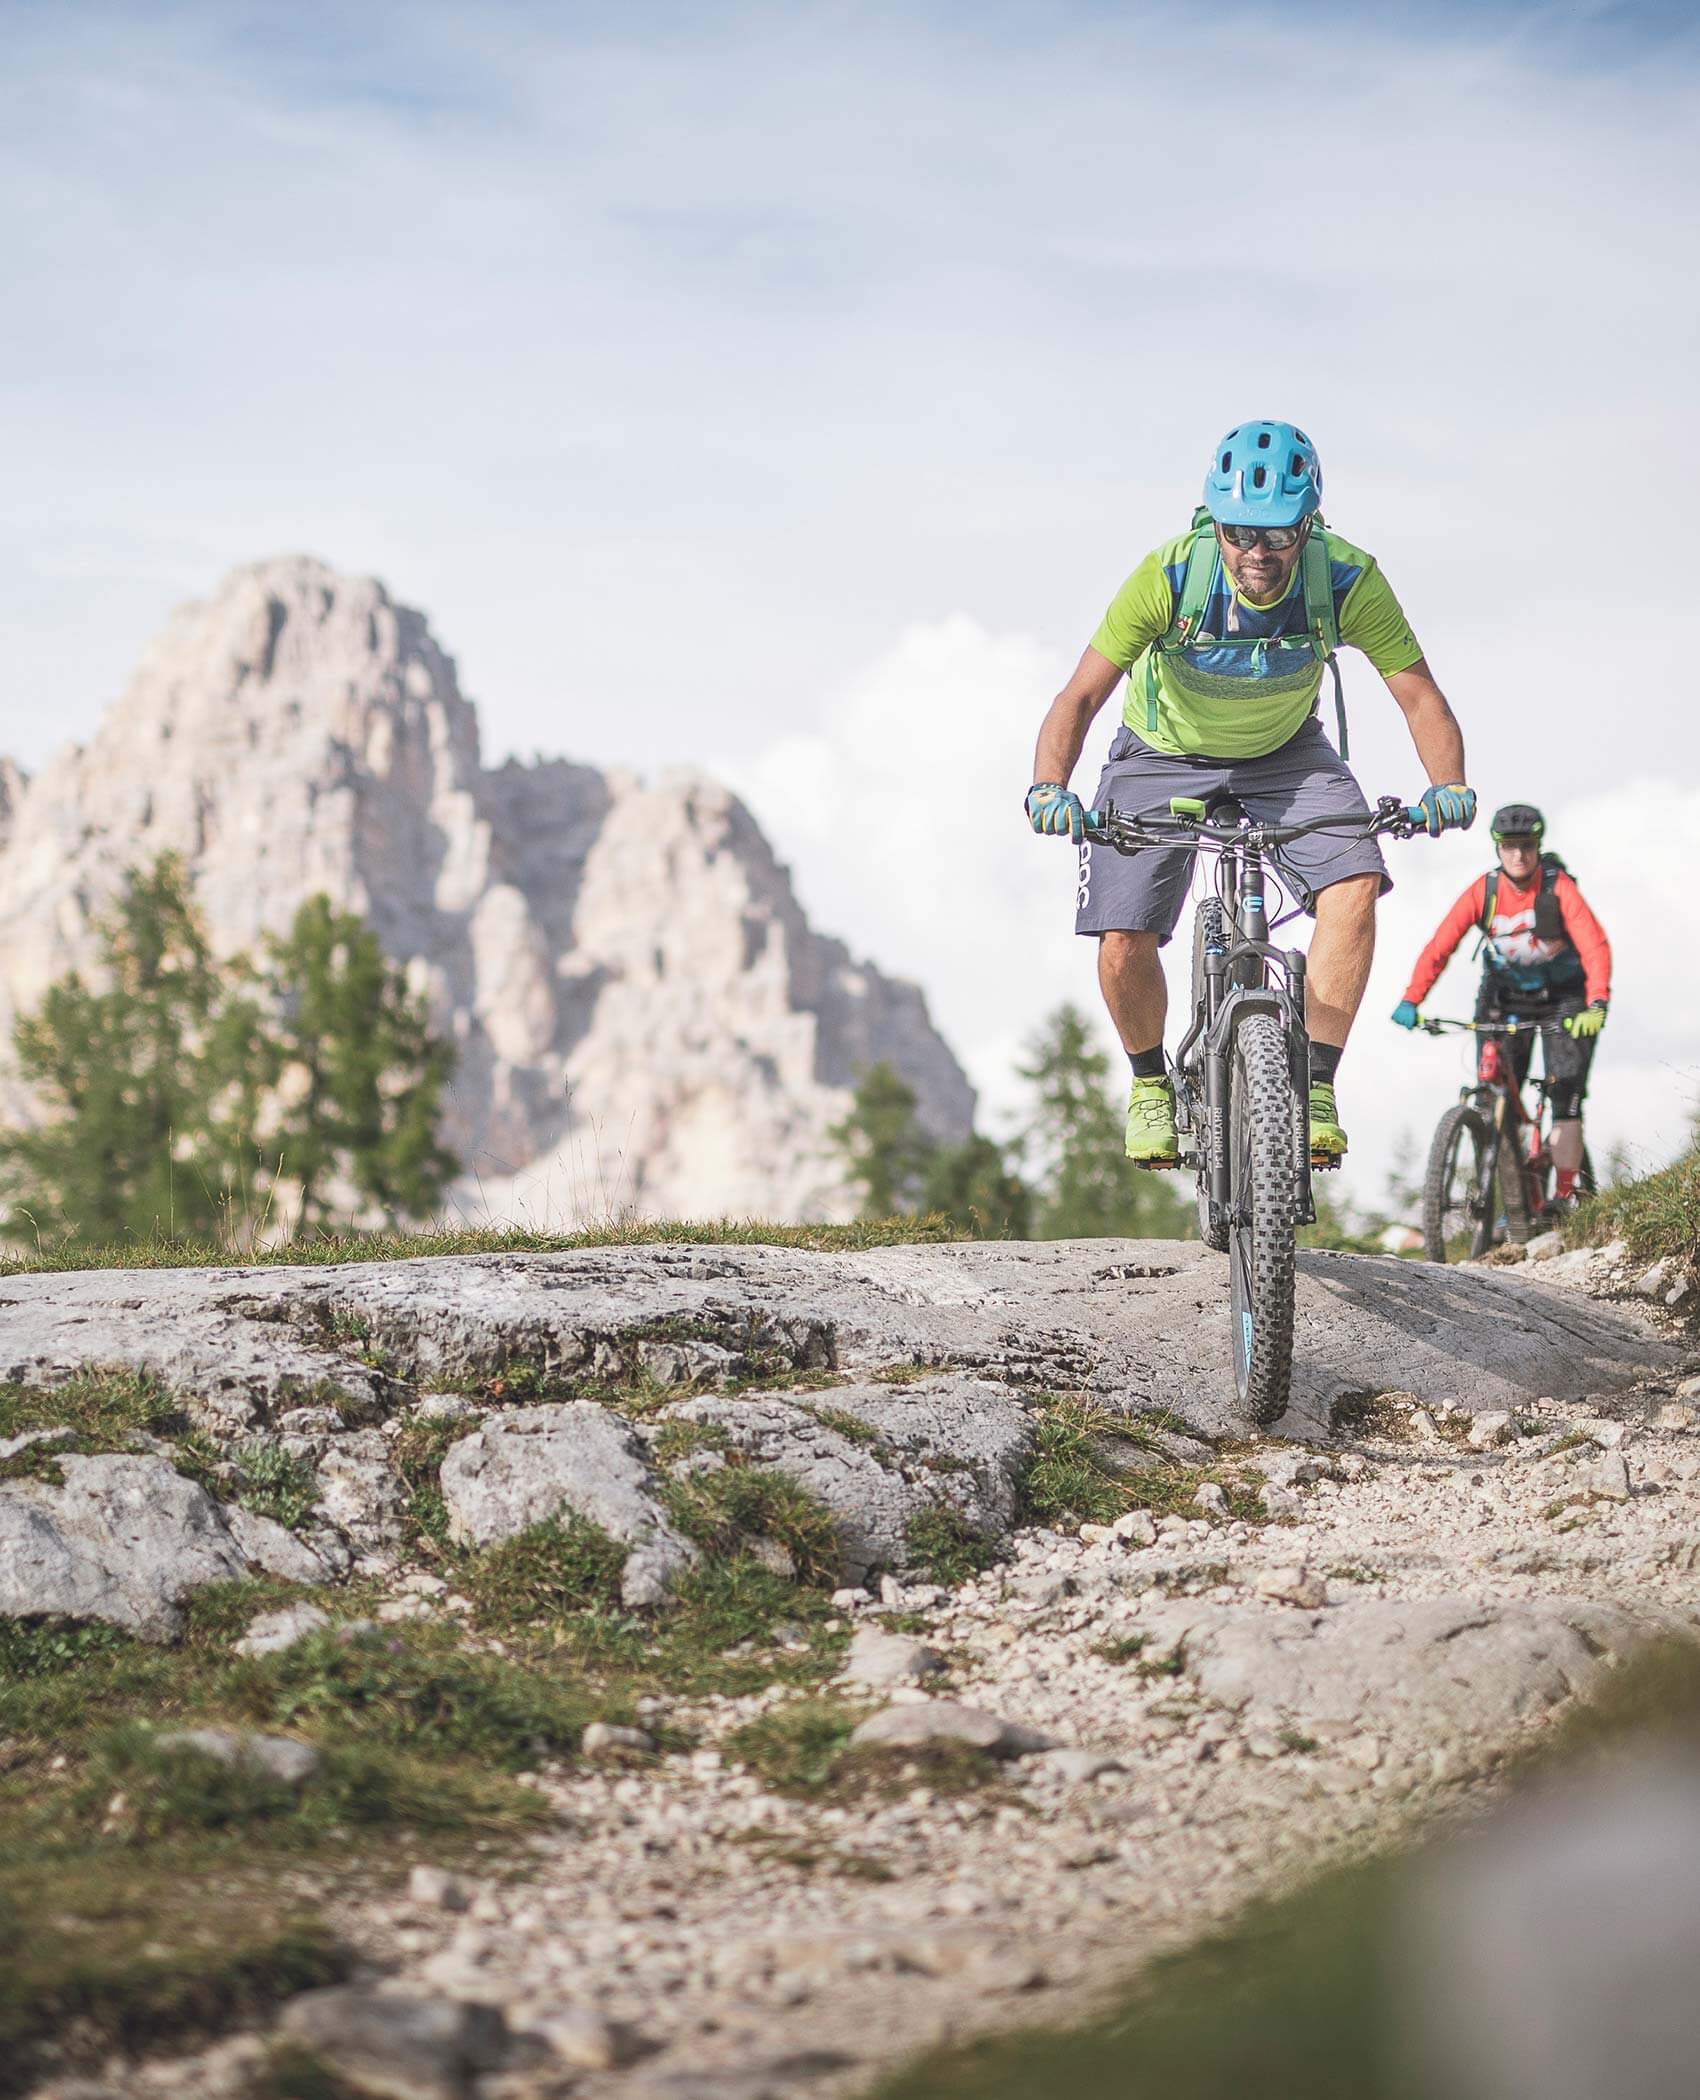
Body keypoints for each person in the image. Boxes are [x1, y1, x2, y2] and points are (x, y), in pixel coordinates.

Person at [1025, 420, 1474, 1166]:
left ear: (1311, 525)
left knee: (1355, 883)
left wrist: (1447, 785)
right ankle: (1148, 1084)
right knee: (1122, 935)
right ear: (1214, 522)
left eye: (1278, 536)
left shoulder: (1346, 579)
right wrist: (1050, 786)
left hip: (1286, 754)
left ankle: (1318, 1085)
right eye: (1239, 533)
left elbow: (1419, 696)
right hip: (1161, 753)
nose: (1257, 554)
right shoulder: (1169, 576)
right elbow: (1078, 697)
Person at [1393, 802, 1611, 1202]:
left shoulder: (1557, 887)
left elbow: (1594, 946)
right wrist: (1412, 998)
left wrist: (1596, 1004)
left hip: (1564, 999)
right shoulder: (1485, 890)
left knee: (1564, 1092)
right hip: (1504, 997)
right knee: (1496, 1092)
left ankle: (1566, 1195)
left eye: (1526, 845)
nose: (1519, 855)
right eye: (1509, 846)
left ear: (1538, 845)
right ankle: (1513, 1203)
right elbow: (1440, 947)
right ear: (1497, 848)